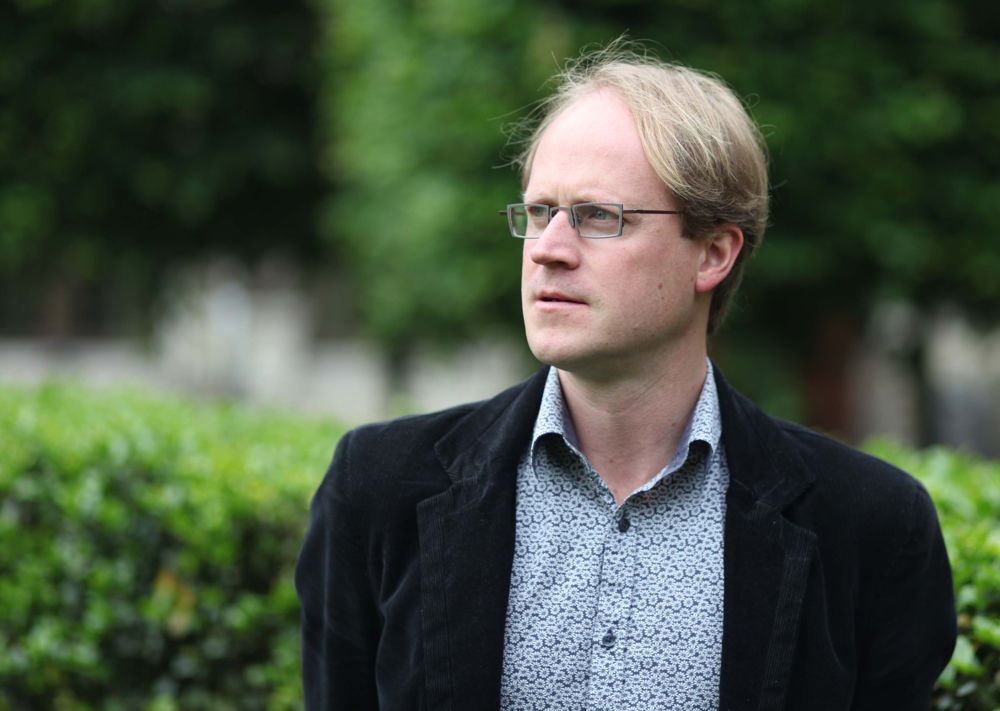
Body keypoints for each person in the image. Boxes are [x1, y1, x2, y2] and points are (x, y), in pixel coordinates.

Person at [295, 42, 956, 711]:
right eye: (538, 212)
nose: (548, 249)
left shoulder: (871, 524)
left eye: (597, 217)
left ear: (713, 253)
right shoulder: (378, 487)